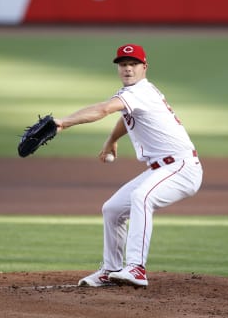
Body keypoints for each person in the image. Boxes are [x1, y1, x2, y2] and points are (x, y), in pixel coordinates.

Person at [53, 44, 203, 287]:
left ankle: (136, 268)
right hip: (162, 168)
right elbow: (127, 116)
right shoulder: (132, 94)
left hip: (181, 168)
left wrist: (64, 122)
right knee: (112, 209)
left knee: (142, 197)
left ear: (144, 67)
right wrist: (112, 139)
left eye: (133, 64)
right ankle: (110, 268)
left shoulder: (140, 92)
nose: (128, 69)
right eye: (123, 64)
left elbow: (103, 109)